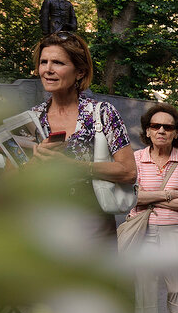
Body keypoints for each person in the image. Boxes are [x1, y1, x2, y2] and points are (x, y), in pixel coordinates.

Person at [30, 31, 136, 236]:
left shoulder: (102, 113)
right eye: (44, 62)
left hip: (92, 227)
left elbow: (129, 172)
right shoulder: (33, 118)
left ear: (79, 72)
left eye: (58, 63)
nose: (48, 70)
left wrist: (76, 167)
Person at [129, 103, 178, 313]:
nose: (161, 131)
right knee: (144, 288)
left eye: (168, 127)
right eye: (155, 126)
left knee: (177, 289)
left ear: (176, 133)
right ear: (147, 131)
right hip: (143, 230)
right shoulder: (135, 160)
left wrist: (150, 195)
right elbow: (131, 198)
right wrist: (169, 193)